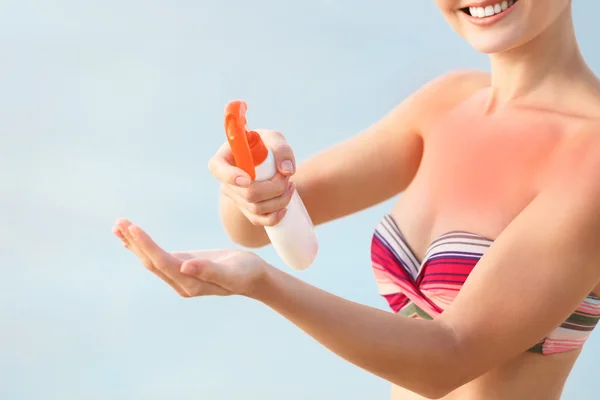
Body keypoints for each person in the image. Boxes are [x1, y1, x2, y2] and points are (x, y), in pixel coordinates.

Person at [113, 1, 600, 399]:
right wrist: (253, 177)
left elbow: (447, 358)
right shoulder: (447, 102)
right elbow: (250, 227)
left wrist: (263, 285)